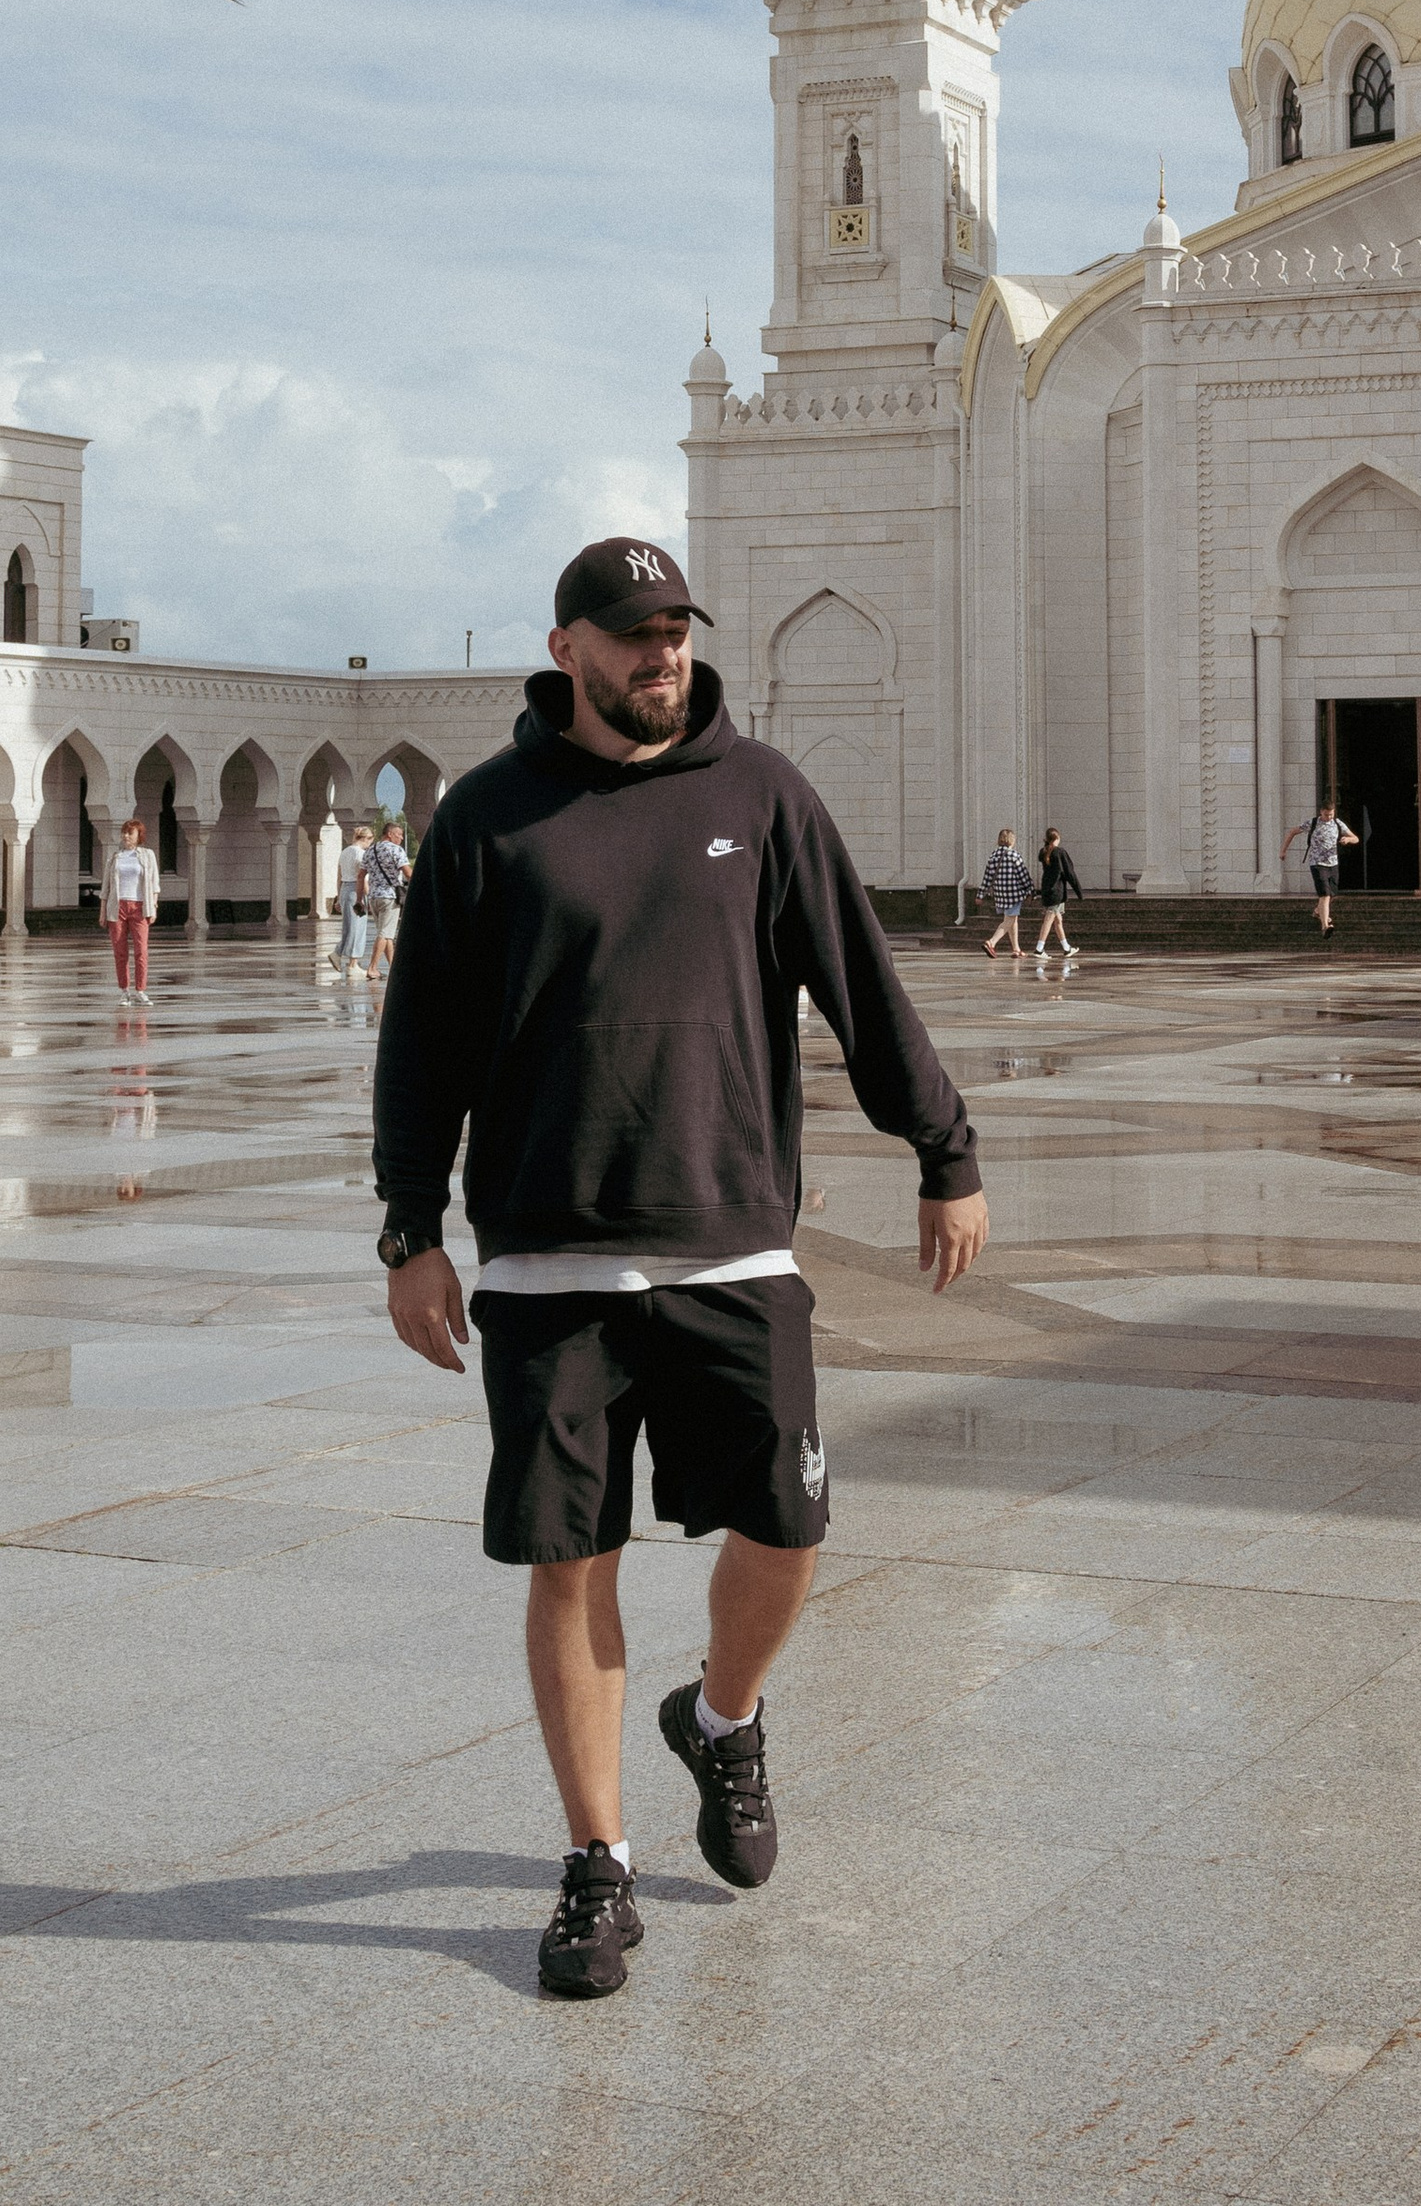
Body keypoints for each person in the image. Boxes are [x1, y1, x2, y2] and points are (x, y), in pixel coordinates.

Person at [373, 535, 986, 2004]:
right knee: (566, 1558)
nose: (664, 655)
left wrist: (943, 1145)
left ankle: (721, 1715)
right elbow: (424, 1036)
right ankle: (599, 1863)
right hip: (545, 1254)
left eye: (677, 631)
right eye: (635, 634)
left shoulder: (759, 792)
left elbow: (859, 975)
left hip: (732, 1234)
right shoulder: (487, 817)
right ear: (568, 645)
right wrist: (411, 1228)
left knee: (786, 1523)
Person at [1283, 796, 1360, 935]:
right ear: (1321, 812)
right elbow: (1293, 832)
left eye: (1331, 814)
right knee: (1324, 894)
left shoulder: (1337, 823)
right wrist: (1283, 850)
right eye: (1326, 814)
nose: (1328, 817)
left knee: (1332, 894)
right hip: (1317, 863)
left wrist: (1348, 839)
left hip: (1333, 862)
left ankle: (1318, 911)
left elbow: (1356, 838)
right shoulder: (1313, 823)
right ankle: (1325, 926)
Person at [105, 815, 158, 1005]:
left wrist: (154, 906)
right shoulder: (115, 857)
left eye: (130, 833)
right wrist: (103, 912)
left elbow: (154, 883)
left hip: (139, 907)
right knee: (120, 951)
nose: (126, 836)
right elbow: (106, 887)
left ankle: (141, 990)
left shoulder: (147, 855)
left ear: (138, 836)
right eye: (124, 833)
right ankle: (124, 991)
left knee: (141, 951)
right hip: (117, 907)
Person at [364, 815, 408, 979]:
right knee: (384, 934)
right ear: (390, 834)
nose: (401, 838)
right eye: (399, 834)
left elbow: (361, 875)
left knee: (387, 934)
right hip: (390, 897)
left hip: (374, 897)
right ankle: (372, 967)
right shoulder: (396, 850)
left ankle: (394, 968)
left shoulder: (370, 850)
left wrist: (359, 899)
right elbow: (407, 872)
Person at [979, 826, 1034, 958]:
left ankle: (1016, 949)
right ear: (1011, 840)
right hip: (1014, 894)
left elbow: (987, 877)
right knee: (1009, 920)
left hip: (1000, 894)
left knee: (1011, 919)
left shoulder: (993, 856)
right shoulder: (1014, 855)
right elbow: (1023, 875)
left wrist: (980, 894)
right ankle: (991, 942)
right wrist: (1031, 891)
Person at [1029, 827, 1083, 959]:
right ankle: (1039, 948)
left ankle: (1066, 948)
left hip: (1047, 890)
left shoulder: (1044, 852)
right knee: (1049, 918)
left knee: (1058, 919)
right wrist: (1079, 891)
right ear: (1056, 839)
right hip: (1056, 891)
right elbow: (1069, 873)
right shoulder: (1060, 852)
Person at [333, 820, 373, 982]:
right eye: (371, 840)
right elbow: (360, 877)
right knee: (358, 928)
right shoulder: (360, 854)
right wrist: (365, 896)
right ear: (366, 838)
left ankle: (340, 954)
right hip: (356, 892)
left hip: (345, 890)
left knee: (350, 926)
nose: (371, 844)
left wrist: (338, 897)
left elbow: (339, 876)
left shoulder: (344, 852)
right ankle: (352, 964)